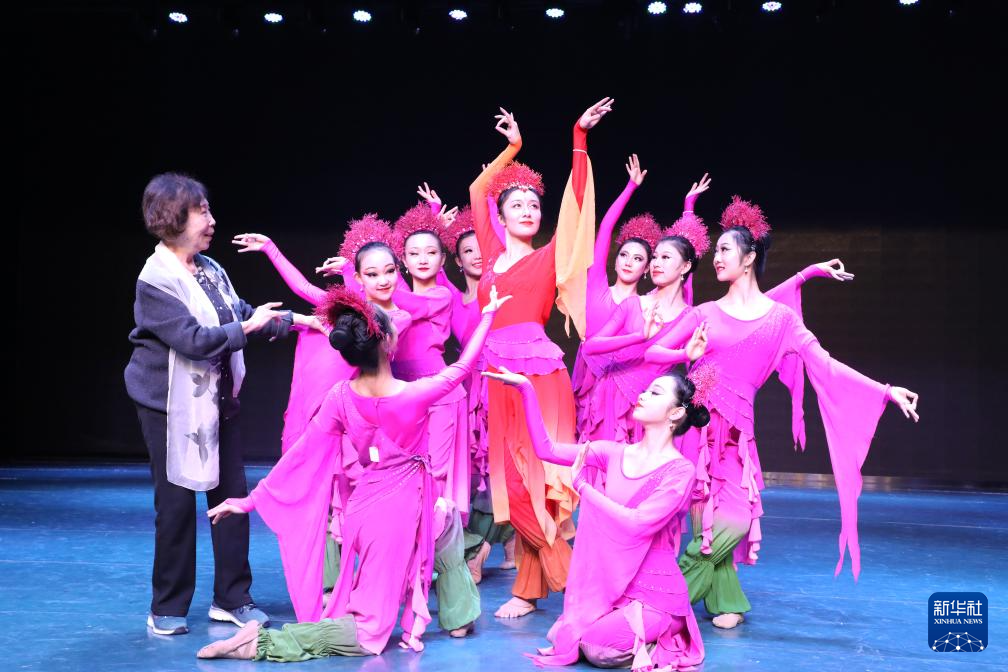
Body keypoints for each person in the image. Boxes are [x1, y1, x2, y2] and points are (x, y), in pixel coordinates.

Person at [645, 195, 920, 628]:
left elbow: (826, 365)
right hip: (697, 432)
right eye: (716, 250)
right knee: (704, 525)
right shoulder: (704, 313)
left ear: (749, 257)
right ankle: (725, 601)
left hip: (737, 436)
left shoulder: (782, 321)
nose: (716, 257)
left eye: (725, 249)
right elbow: (653, 351)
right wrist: (685, 353)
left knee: (735, 520)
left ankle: (659, 605)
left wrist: (884, 391)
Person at [197, 284, 510, 660]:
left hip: (368, 507)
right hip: (394, 516)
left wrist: (250, 501)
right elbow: (462, 367)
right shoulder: (414, 395)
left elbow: (301, 455)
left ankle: (459, 616)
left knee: (445, 522)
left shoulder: (340, 398)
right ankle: (260, 643)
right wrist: (488, 315)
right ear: (389, 344)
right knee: (369, 632)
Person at [125, 172, 315, 635]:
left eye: (208, 209)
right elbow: (193, 340)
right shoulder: (156, 279)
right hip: (168, 406)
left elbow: (241, 313)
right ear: (173, 218)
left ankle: (232, 598)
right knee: (176, 506)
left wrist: (302, 321)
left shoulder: (210, 268)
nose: (211, 220)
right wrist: (248, 328)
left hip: (219, 397)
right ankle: (167, 606)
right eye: (201, 211)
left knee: (232, 498)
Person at [469, 99, 610, 617]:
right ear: (502, 215)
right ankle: (532, 588)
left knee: (537, 483)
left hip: (540, 378)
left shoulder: (550, 257)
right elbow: (478, 191)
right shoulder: (489, 254)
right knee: (514, 485)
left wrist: (579, 136)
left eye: (534, 204)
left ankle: (578, 589)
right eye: (518, 204)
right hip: (496, 376)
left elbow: (577, 204)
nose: (528, 209)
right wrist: (513, 149)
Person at [486, 366, 709, 671]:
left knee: (596, 647)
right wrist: (527, 389)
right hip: (612, 586)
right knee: (568, 636)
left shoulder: (680, 471)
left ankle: (662, 634)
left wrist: (584, 488)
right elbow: (546, 449)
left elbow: (637, 523)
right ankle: (623, 630)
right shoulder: (613, 453)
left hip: (654, 595)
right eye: (645, 390)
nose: (643, 395)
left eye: (655, 393)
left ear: (676, 413)